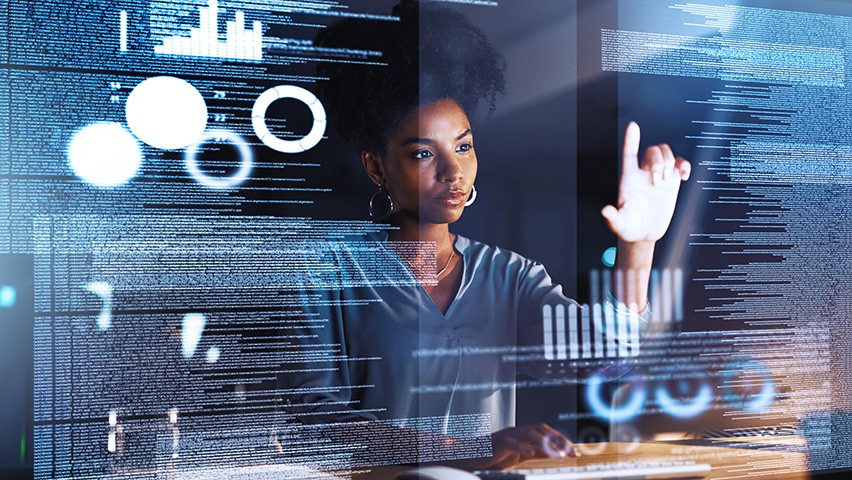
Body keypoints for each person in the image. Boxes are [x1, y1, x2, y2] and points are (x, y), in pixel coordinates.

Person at [280, 0, 691, 471]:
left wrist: (638, 246)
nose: (453, 171)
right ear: (377, 167)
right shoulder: (325, 277)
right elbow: (309, 426)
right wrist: (470, 449)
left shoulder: (510, 277)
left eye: (463, 146)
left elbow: (604, 353)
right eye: (422, 154)